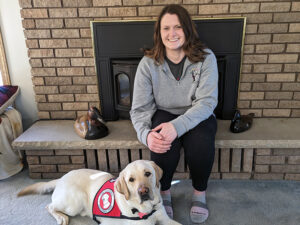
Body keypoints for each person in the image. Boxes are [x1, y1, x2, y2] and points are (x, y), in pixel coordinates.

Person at [130, 4, 218, 224]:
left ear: (187, 29)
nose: (172, 34)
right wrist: (146, 135)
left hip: (198, 115)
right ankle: (164, 192)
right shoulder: (148, 64)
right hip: (164, 112)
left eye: (178, 27)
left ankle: (199, 193)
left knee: (200, 142)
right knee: (159, 139)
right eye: (166, 28)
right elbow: (140, 109)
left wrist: (177, 127)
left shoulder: (206, 58)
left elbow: (207, 102)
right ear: (159, 33)